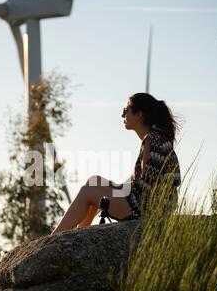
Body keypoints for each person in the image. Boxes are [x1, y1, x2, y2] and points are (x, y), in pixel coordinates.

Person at [50, 92, 182, 236]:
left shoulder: (150, 140)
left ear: (139, 115)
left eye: (126, 110)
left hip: (144, 210)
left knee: (89, 190)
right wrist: (117, 187)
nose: (122, 115)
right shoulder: (160, 139)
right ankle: (79, 235)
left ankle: (55, 237)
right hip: (154, 206)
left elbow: (146, 188)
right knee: (94, 182)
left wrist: (118, 189)